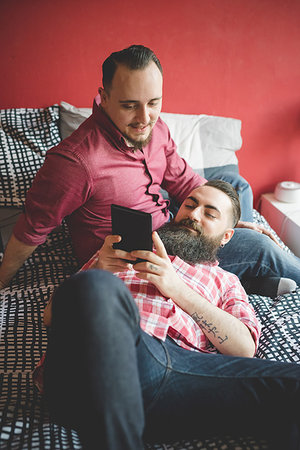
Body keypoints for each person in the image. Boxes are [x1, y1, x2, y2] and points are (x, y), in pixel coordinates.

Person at [0, 45, 299, 297]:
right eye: (130, 106)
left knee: (232, 185)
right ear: (104, 97)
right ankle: (251, 273)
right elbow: (32, 227)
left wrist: (225, 218)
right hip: (138, 256)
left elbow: (184, 180)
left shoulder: (157, 130)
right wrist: (2, 282)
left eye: (153, 103)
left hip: (170, 223)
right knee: (260, 246)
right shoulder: (74, 162)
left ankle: (243, 276)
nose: (145, 118)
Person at [41, 181, 300, 450]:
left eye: (210, 214)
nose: (194, 214)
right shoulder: (116, 253)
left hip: (177, 373)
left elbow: (244, 348)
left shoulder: (227, 281)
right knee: (96, 286)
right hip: (83, 371)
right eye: (190, 204)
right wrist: (101, 269)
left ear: (226, 236)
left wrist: (177, 289)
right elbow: (50, 317)